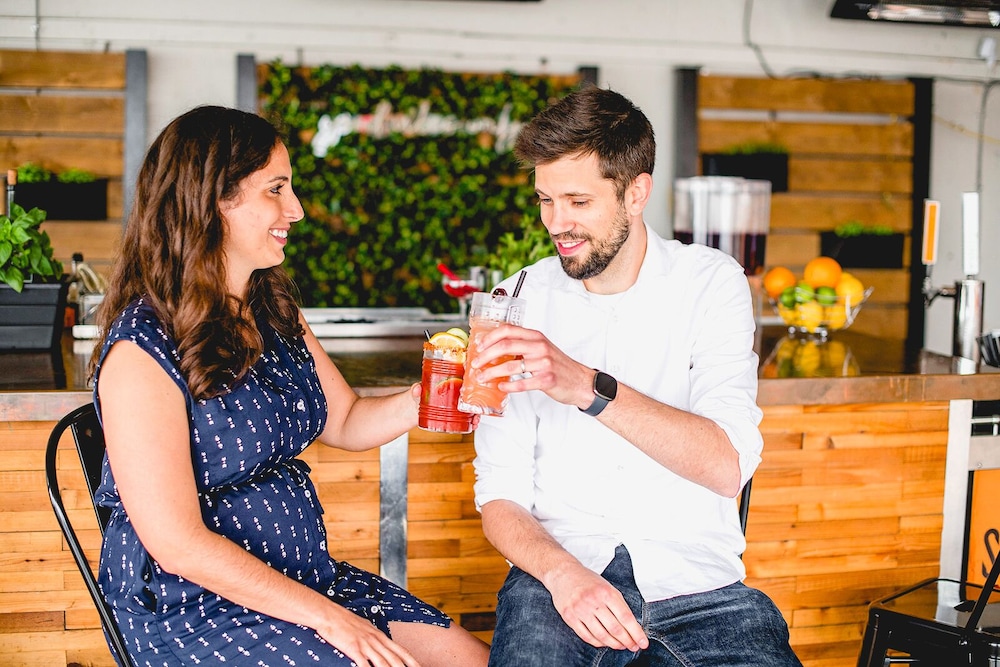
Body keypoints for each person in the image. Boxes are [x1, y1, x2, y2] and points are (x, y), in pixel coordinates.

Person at [88, 105, 489, 667]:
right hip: (196, 608)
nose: (296, 209)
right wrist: (332, 620)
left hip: (304, 580)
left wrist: (436, 393)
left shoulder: (271, 310)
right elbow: (178, 545)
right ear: (212, 200)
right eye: (276, 189)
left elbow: (345, 420)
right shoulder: (142, 349)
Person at [470, 86, 802, 666]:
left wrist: (586, 387)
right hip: (557, 581)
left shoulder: (711, 284)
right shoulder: (515, 299)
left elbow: (727, 467)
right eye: (546, 200)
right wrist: (562, 574)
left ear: (636, 192)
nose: (557, 224)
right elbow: (499, 496)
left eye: (578, 201)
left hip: (701, 589)